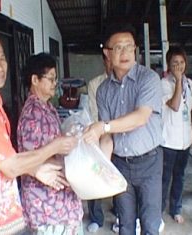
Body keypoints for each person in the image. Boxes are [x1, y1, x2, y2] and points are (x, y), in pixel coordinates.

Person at [0, 31, 77, 235]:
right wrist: (54, 146)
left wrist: (35, 169)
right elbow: (11, 166)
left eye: (2, 58)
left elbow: (4, 159)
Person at [83, 23, 163, 235]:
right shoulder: (103, 90)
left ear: (135, 49)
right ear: (107, 53)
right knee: (125, 224)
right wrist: (101, 168)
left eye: (129, 46)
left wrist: (103, 126)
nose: (125, 52)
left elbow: (141, 117)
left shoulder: (149, 79)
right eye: (118, 47)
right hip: (121, 164)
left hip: (150, 162)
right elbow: (107, 138)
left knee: (150, 223)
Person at [16, 52, 84, 235]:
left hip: (58, 201)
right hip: (46, 204)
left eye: (56, 79)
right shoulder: (33, 113)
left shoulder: (47, 107)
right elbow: (30, 160)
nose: (56, 83)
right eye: (51, 78)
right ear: (35, 80)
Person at [161, 47, 192, 224]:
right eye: (174, 63)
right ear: (168, 65)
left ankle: (176, 208)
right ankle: (159, 211)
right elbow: (175, 105)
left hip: (185, 140)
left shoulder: (190, 84)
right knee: (164, 178)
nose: (179, 66)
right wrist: (178, 81)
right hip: (169, 140)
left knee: (180, 176)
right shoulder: (163, 84)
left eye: (182, 62)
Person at [86, 52, 112, 233]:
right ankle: (96, 216)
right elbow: (95, 115)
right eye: (109, 59)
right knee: (94, 175)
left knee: (120, 177)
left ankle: (120, 214)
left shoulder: (130, 84)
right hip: (100, 136)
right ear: (105, 61)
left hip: (124, 137)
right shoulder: (95, 84)